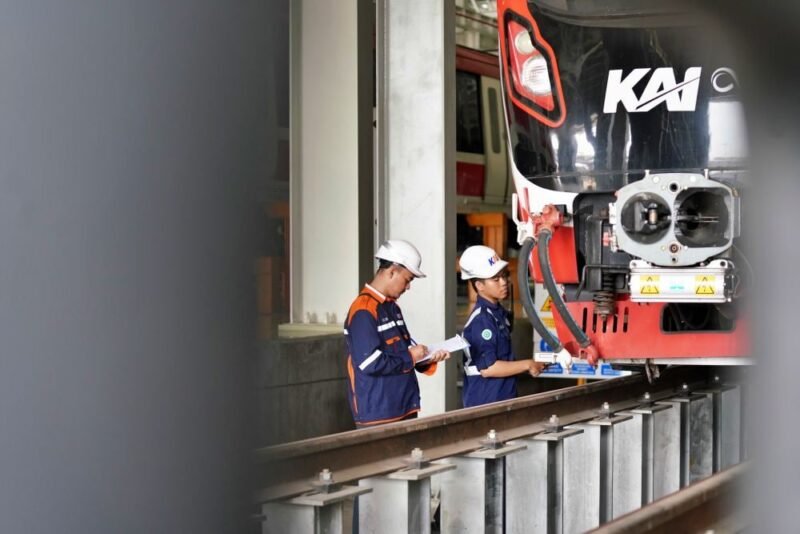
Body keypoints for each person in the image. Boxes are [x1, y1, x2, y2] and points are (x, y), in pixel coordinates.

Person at [344, 239, 450, 427]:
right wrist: (411, 357)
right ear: (392, 272)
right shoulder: (364, 310)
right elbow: (370, 362)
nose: (408, 287)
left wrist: (426, 358)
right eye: (408, 280)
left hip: (403, 407)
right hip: (379, 414)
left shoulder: (391, 307)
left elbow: (402, 351)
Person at [459, 245, 545, 408]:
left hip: (503, 398)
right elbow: (489, 368)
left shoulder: (497, 313)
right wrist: (527, 364)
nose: (504, 282)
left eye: (504, 276)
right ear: (479, 285)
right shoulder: (482, 321)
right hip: (486, 403)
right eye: (495, 279)